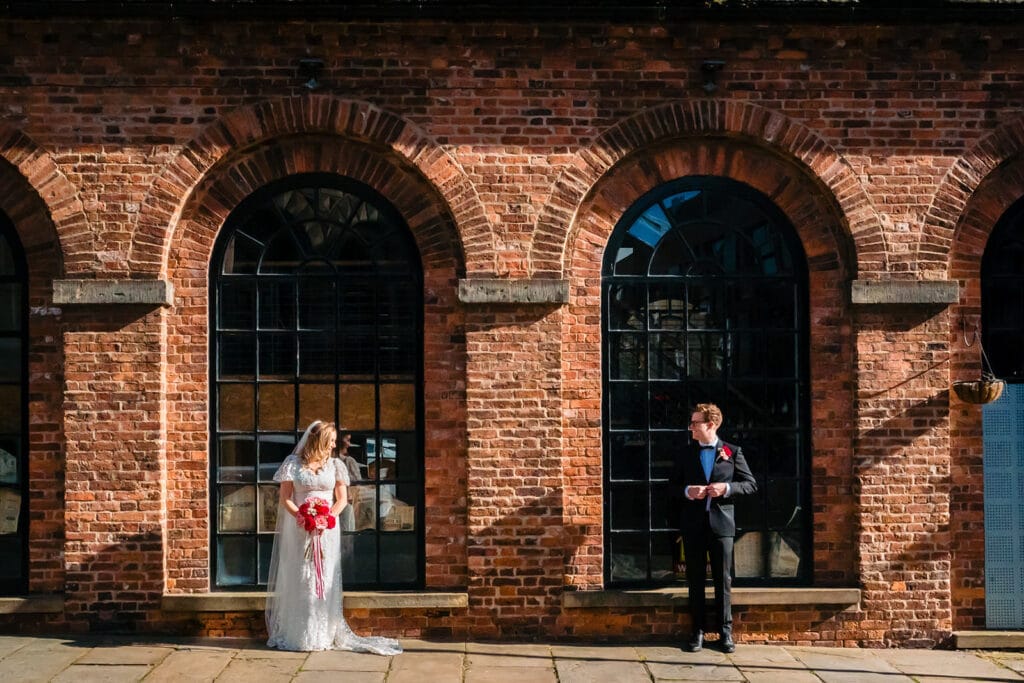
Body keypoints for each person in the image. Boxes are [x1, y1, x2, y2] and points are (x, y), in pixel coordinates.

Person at [266, 420, 402, 654]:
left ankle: (322, 632)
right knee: (301, 575)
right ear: (318, 441)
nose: (332, 446)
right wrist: (302, 516)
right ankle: (298, 633)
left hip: (327, 528)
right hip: (300, 528)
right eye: (329, 442)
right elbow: (285, 498)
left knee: (325, 576)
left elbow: (341, 499)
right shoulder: (293, 465)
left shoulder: (336, 465)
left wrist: (325, 518)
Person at [671, 403, 757, 654]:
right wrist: (688, 491)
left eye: (695, 423)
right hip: (693, 525)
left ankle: (725, 632)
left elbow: (750, 485)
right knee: (695, 579)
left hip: (722, 526)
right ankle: (697, 631)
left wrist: (726, 489)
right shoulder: (685, 453)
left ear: (711, 425)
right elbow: (671, 488)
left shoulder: (732, 451)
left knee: (723, 580)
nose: (691, 427)